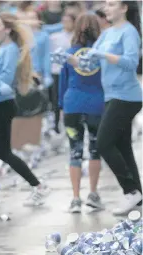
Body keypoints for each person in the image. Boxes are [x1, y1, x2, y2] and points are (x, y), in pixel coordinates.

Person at [0, 13, 49, 208]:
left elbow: (5, 79)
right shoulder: (3, 49)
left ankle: (38, 186)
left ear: (7, 29)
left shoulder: (10, 50)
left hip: (2, 105)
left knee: (3, 152)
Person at [74, 0, 142, 215]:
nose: (106, 8)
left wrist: (103, 56)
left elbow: (131, 63)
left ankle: (130, 191)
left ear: (124, 8)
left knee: (103, 143)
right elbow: (91, 64)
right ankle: (138, 197)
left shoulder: (129, 32)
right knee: (123, 148)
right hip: (111, 95)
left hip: (127, 97)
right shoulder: (107, 33)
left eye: (111, 4)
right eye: (106, 4)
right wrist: (73, 60)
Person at [58, 14, 105, 213]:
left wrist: (60, 107)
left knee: (75, 151)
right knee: (95, 149)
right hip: (96, 106)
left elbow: (62, 83)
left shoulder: (69, 53)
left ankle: (75, 198)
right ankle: (93, 195)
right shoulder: (101, 54)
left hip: (72, 106)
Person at [49, 13, 75, 133]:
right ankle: (56, 123)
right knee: (56, 98)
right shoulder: (55, 37)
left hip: (71, 71)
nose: (66, 24)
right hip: (57, 71)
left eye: (68, 21)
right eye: (64, 21)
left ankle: (70, 123)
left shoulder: (75, 37)